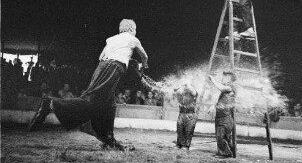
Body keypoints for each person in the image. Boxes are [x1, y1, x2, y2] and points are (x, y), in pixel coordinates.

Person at [29, 19, 148, 151]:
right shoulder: (133, 38)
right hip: (113, 68)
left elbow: (101, 56)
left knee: (110, 106)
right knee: (91, 101)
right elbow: (144, 56)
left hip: (102, 67)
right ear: (132, 29)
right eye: (135, 29)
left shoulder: (111, 39)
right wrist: (142, 66)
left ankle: (109, 139)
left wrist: (123, 58)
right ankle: (51, 103)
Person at [208, 70, 237, 157]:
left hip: (225, 117)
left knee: (221, 136)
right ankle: (227, 152)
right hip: (221, 117)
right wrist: (214, 105)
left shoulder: (231, 86)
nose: (222, 78)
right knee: (222, 136)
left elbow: (223, 88)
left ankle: (225, 154)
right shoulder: (225, 90)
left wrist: (213, 80)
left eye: (225, 76)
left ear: (230, 78)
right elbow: (222, 101)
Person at [174, 81, 198, 150]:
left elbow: (192, 90)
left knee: (188, 131)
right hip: (181, 114)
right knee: (180, 129)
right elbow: (175, 89)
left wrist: (187, 83)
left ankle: (186, 146)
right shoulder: (182, 93)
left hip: (190, 114)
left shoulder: (194, 92)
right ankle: (179, 144)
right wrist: (181, 85)